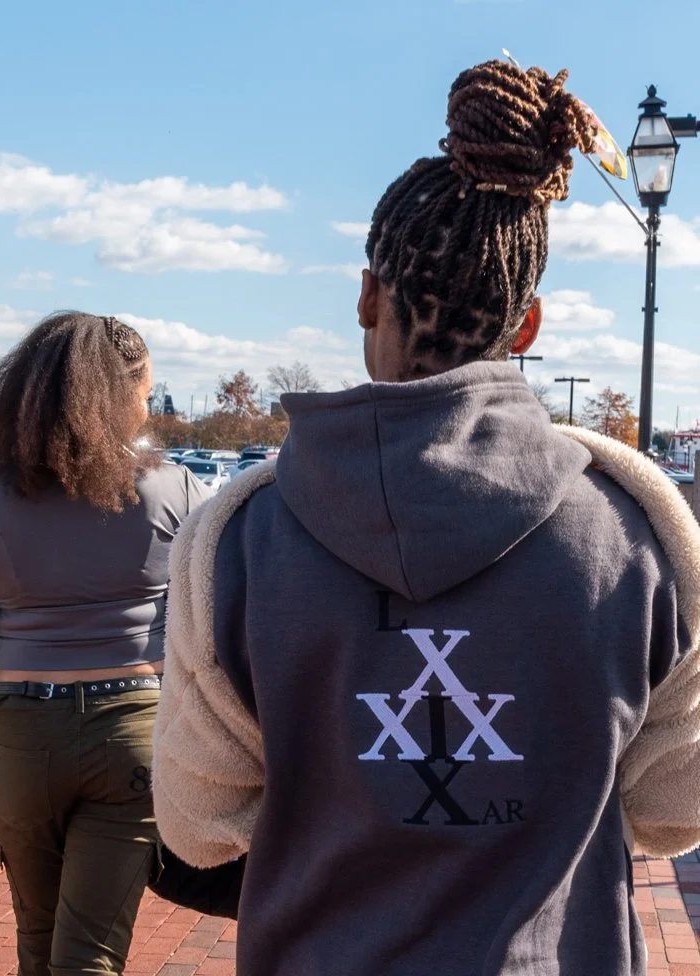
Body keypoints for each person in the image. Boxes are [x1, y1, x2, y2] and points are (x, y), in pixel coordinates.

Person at [153, 60, 700, 976]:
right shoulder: (640, 536)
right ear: (526, 326)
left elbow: (200, 822)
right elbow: (673, 811)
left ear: (368, 294)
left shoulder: (237, 540)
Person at [0, 312, 212, 976]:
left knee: (36, 939)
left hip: (20, 737)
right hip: (132, 733)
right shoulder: (174, 488)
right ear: (123, 393)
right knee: (90, 952)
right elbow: (209, 617)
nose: (148, 406)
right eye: (146, 390)